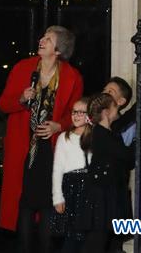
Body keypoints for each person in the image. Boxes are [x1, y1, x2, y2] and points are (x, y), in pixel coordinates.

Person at [0, 26, 84, 253]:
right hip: (23, 147)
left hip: (52, 149)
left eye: (48, 39)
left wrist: (59, 125)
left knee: (47, 203)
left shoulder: (72, 76)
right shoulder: (22, 68)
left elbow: (75, 114)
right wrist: (20, 98)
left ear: (58, 49)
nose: (41, 41)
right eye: (42, 37)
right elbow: (3, 104)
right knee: (23, 203)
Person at [81, 93, 136, 253]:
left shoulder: (107, 133)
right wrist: (140, 138)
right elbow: (127, 156)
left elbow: (128, 160)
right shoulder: (101, 134)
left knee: (107, 241)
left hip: (108, 195)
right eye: (114, 106)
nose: (117, 108)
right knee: (97, 241)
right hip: (102, 197)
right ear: (105, 112)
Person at [51, 96, 91, 253]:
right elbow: (58, 169)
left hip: (89, 189)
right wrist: (57, 197)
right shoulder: (64, 138)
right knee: (71, 235)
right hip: (70, 188)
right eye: (74, 112)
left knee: (86, 236)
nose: (76, 115)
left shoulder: (95, 137)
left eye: (81, 112)